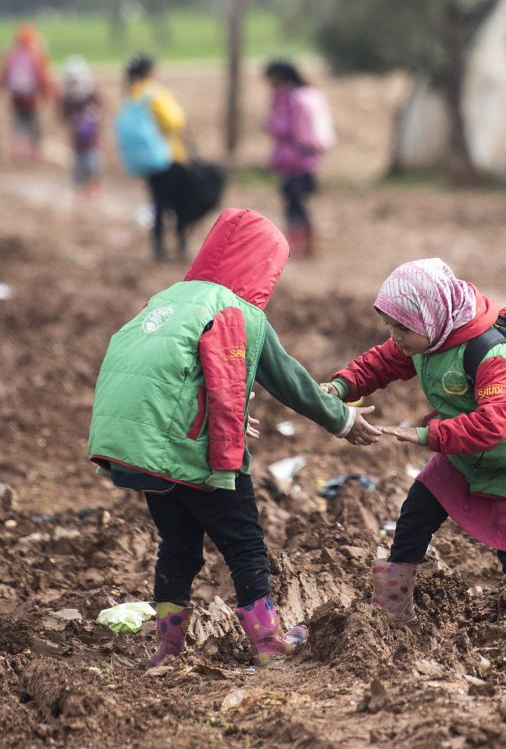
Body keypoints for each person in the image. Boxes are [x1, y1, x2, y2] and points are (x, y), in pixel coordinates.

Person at [88, 208, 381, 668]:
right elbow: (290, 382)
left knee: (178, 546)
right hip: (192, 451)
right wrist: (344, 420)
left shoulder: (169, 299)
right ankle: (268, 644)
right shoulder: (240, 312)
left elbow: (166, 371)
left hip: (145, 447)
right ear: (263, 265)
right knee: (244, 543)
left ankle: (166, 648)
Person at [322, 258, 506, 617]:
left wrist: (421, 434)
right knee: (414, 519)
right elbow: (379, 363)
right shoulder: (427, 337)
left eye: (401, 328)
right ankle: (389, 612)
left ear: (429, 316)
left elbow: (490, 426)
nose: (394, 337)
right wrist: (339, 386)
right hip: (464, 456)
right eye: (389, 326)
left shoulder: (489, 353)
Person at [263, 60, 334, 257]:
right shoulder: (307, 94)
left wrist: (268, 123)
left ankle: (294, 245)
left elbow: (283, 127)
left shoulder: (287, 98)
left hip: (292, 160)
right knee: (300, 202)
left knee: (292, 204)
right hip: (309, 158)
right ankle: (308, 242)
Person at [125, 54, 190, 260]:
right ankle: (181, 246)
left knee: (158, 203)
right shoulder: (154, 93)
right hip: (169, 155)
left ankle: (158, 248)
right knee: (180, 204)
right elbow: (174, 121)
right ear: (150, 71)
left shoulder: (132, 95)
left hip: (147, 159)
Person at [0, 23, 55, 164]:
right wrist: (47, 93)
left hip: (16, 97)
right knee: (33, 122)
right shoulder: (36, 55)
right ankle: (35, 150)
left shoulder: (11, 56)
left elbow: (2, 76)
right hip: (31, 98)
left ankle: (18, 149)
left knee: (18, 121)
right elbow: (42, 77)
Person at [59, 55, 103, 202]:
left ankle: (92, 192)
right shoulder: (68, 100)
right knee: (79, 171)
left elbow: (101, 111)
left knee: (92, 167)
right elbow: (62, 116)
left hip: (92, 144)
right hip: (77, 145)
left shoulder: (92, 96)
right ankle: (82, 195)